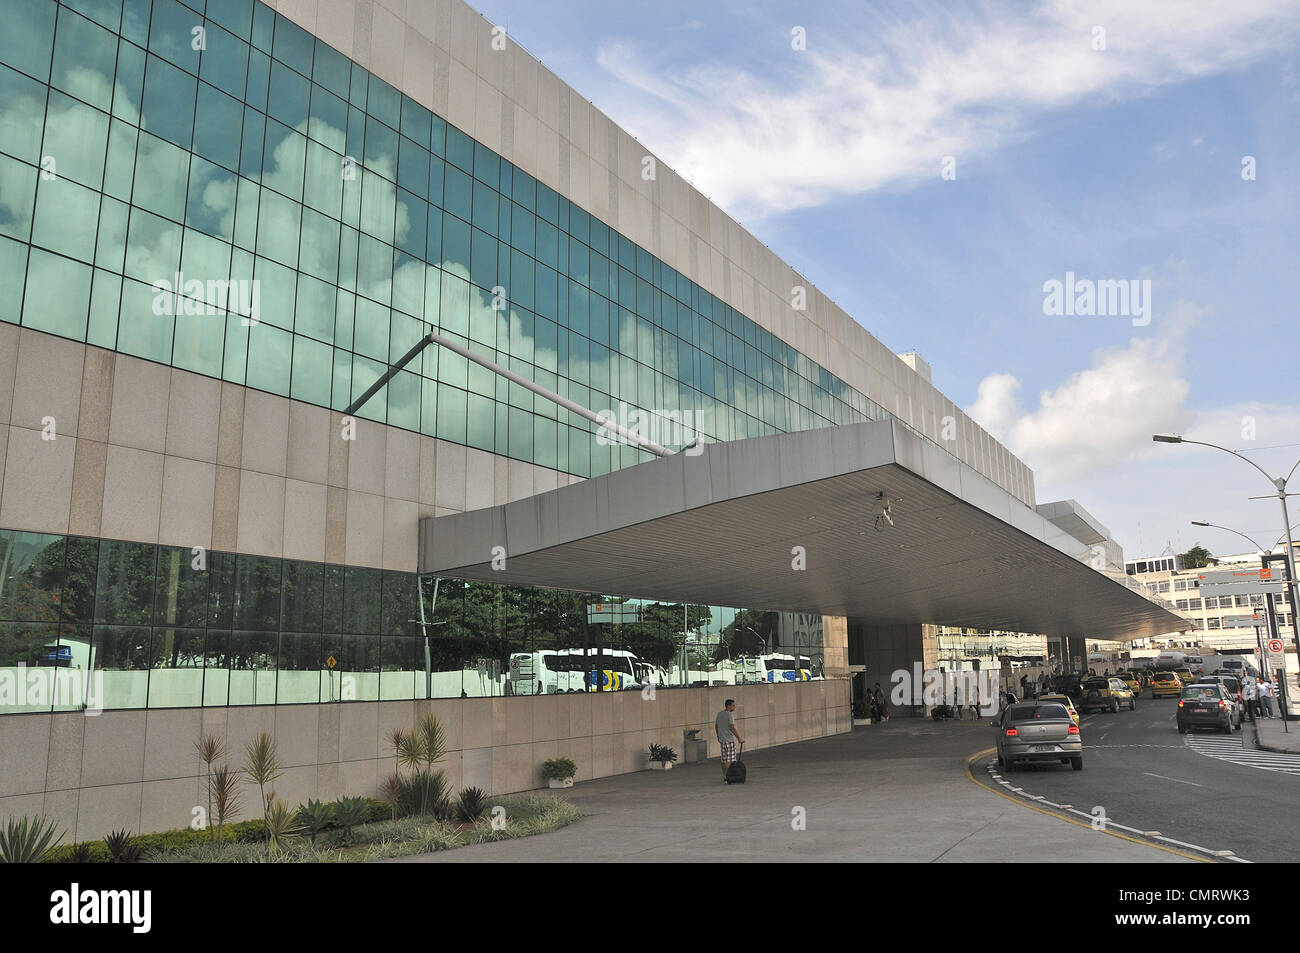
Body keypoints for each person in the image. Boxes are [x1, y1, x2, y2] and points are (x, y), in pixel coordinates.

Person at [716, 699, 743, 780]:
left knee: (724, 759)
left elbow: (716, 726)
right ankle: (729, 777)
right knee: (730, 759)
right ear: (729, 706)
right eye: (733, 705)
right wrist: (739, 738)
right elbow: (732, 727)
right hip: (729, 740)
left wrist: (718, 736)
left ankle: (725, 776)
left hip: (722, 740)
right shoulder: (729, 715)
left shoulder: (719, 714)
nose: (734, 707)